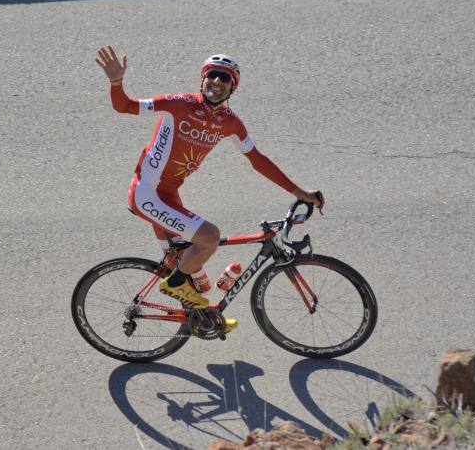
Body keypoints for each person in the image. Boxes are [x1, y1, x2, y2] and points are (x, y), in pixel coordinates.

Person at [95, 46, 324, 332]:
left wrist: (299, 193)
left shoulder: (230, 123)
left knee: (191, 266)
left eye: (224, 78)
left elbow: (258, 160)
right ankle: (175, 284)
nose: (216, 81)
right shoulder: (179, 103)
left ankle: (203, 320)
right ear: (203, 79)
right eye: (212, 75)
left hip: (168, 196)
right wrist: (116, 82)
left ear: (232, 87)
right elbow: (125, 106)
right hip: (147, 194)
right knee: (209, 238)